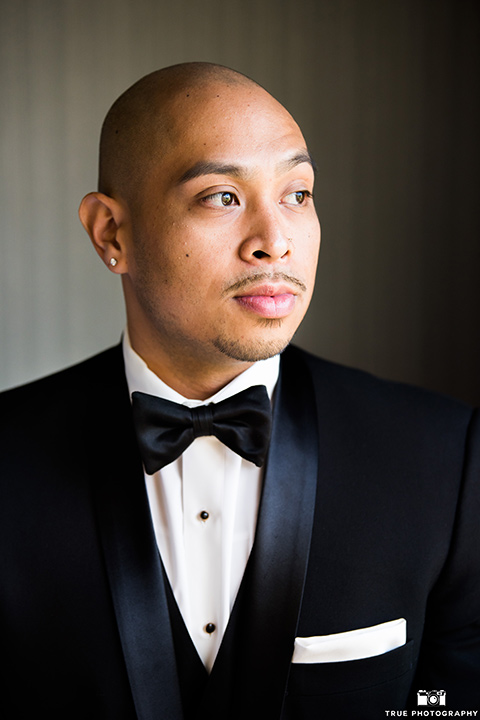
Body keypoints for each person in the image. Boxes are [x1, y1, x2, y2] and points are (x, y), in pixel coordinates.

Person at [0, 62, 479, 720]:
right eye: (222, 196)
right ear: (112, 234)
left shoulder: (446, 456)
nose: (275, 241)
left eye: (298, 193)